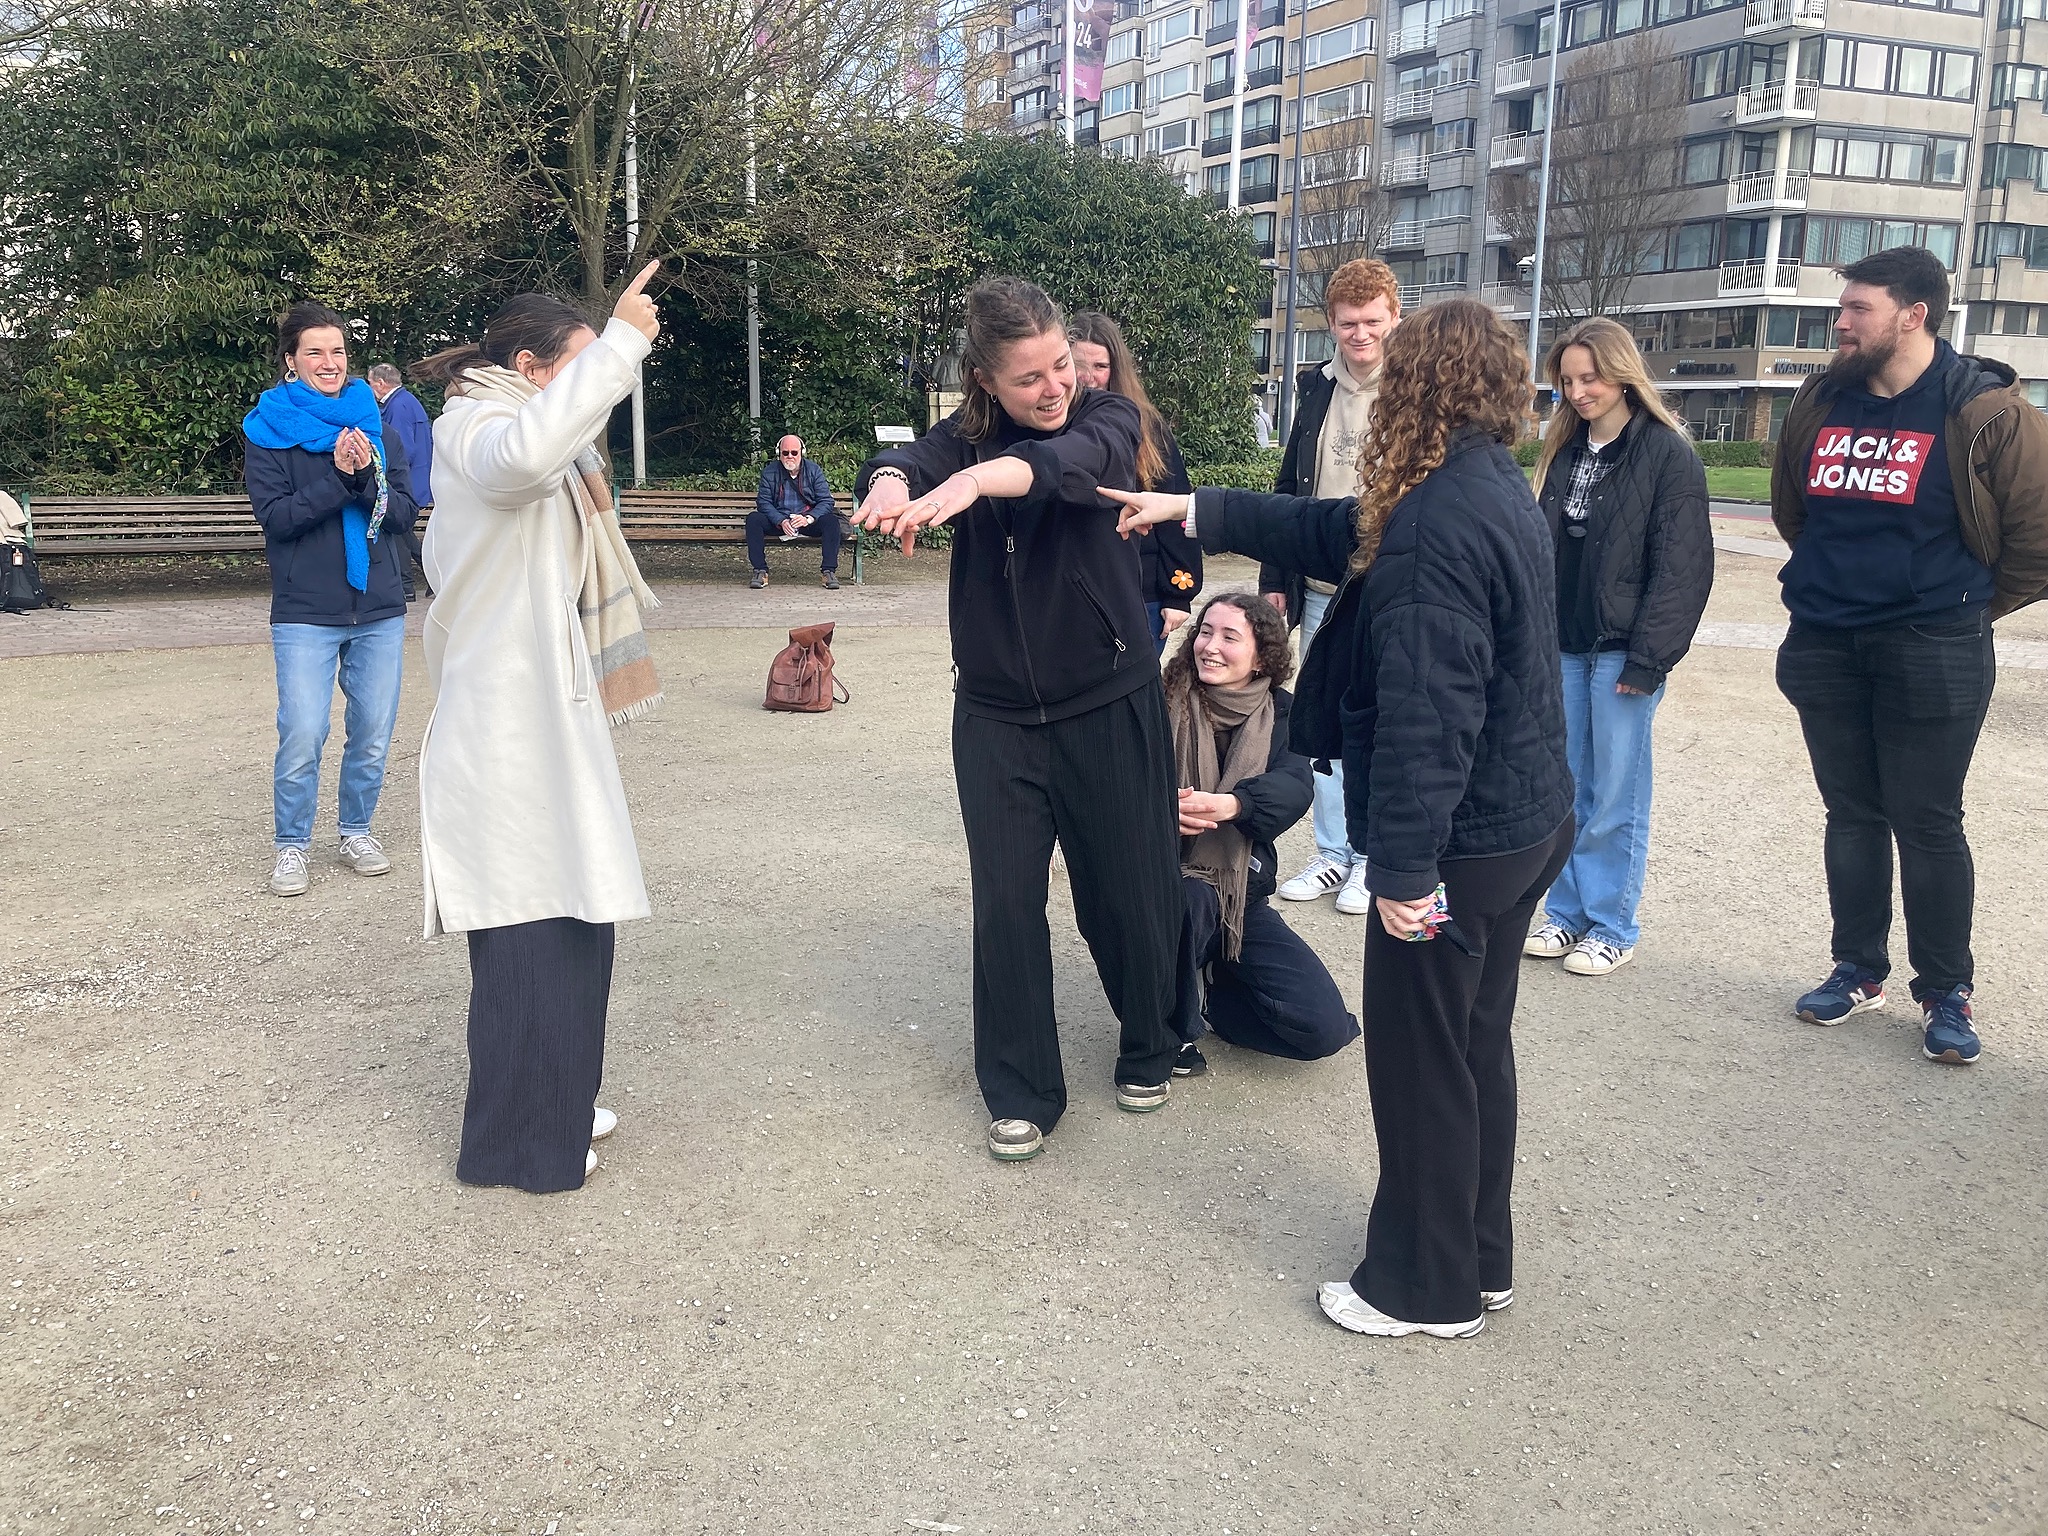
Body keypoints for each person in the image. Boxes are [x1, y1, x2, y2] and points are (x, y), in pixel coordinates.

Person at [1106, 298, 1572, 1340]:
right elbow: (1332, 527)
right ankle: (1478, 1258)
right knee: (1471, 1048)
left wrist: (1402, 873)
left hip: (1459, 847)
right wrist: (1191, 507)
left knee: (1421, 1063)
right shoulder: (1482, 482)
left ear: (1416, 385)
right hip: (1523, 825)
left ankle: (1423, 1289)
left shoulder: (1437, 529)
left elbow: (1426, 720)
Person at [853, 276, 1181, 1164]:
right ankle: (1022, 1088)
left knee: (1127, 889)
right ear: (986, 381)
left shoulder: (1109, 419)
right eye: (1029, 377)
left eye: (1060, 365)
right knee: (1005, 905)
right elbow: (908, 460)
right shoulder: (963, 436)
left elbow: (1058, 470)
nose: (1054, 387)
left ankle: (1153, 1038)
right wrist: (892, 479)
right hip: (995, 716)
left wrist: (971, 486)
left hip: (1108, 698)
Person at [412, 265, 666, 1193]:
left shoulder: (517, 432)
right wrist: (623, 340)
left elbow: (545, 452)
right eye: (578, 366)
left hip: (543, 712)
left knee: (577, 920)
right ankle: (522, 1145)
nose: (592, 389)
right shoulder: (477, 427)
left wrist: (609, 350)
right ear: (529, 368)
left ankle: (557, 1099)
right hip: (505, 728)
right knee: (532, 925)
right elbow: (523, 461)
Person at [1771, 246, 2048, 1066]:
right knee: (1851, 814)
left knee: (1928, 822)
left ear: (1914, 314)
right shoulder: (1822, 398)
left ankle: (1946, 992)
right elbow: (1794, 509)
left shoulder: (1987, 410)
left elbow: (2036, 542)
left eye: (1859, 308)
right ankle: (1857, 968)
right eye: (1843, 308)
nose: (1841, 322)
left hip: (1934, 645)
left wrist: (1962, 609)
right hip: (1826, 639)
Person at [1522, 318, 1713, 978]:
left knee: (1616, 794)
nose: (1579, 392)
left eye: (1591, 378)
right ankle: (1565, 912)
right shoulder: (1563, 448)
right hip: (1563, 644)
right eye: (1568, 381)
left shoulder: (1667, 453)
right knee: (1565, 785)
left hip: (1624, 650)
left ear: (1623, 375)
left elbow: (1682, 567)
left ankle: (1611, 924)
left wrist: (1649, 658)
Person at [243, 301, 419, 900]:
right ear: (291, 361)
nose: (329, 362)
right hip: (306, 610)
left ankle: (355, 831)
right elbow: (277, 520)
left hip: (378, 606)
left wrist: (366, 476)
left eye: (338, 351)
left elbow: (403, 516)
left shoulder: (378, 429)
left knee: (372, 731)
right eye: (314, 351)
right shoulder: (267, 432)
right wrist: (340, 479)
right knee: (302, 731)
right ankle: (291, 844)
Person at [1163, 592, 1359, 1076]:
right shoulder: (1160, 700)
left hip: (1239, 895)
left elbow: (1294, 786)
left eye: (1230, 637)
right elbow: (1113, 780)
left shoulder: (1282, 712)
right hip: (1160, 884)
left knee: (1322, 1029)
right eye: (1205, 632)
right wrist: (1158, 807)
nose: (1210, 646)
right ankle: (1167, 1031)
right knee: (1191, 899)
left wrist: (1234, 804)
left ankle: (1212, 998)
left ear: (1261, 658)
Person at [1264, 259, 1401, 919]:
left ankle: (1373, 856)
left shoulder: (1414, 386)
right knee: (1323, 719)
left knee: (1381, 718)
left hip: (1389, 580)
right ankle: (1333, 851)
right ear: (1331, 324)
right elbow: (1289, 487)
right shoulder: (1316, 386)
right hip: (1322, 581)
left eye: (1372, 321)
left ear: (1394, 317)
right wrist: (1276, 578)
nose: (1360, 334)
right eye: (1348, 323)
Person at [1068, 312, 1202, 651]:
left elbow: (1178, 507)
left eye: (1100, 366)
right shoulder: (1048, 428)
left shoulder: (1149, 429)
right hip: (1069, 592)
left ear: (1116, 369)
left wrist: (1178, 593)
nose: (1088, 378)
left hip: (1142, 594)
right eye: (1078, 365)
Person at [367, 362, 435, 601]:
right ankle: (432, 578)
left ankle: (407, 586)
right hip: (416, 477)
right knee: (404, 532)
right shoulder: (407, 401)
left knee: (398, 530)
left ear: (381, 383)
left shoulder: (397, 406)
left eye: (370, 383)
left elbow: (402, 447)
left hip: (406, 480)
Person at [751, 434, 842, 590]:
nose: (790, 456)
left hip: (806, 521)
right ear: (779, 453)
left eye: (794, 452)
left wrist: (809, 518)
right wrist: (781, 520)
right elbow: (763, 502)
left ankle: (829, 572)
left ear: (802, 452)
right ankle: (760, 571)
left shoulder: (814, 470)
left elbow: (826, 501)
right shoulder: (769, 471)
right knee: (754, 519)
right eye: (785, 453)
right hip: (779, 522)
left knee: (831, 522)